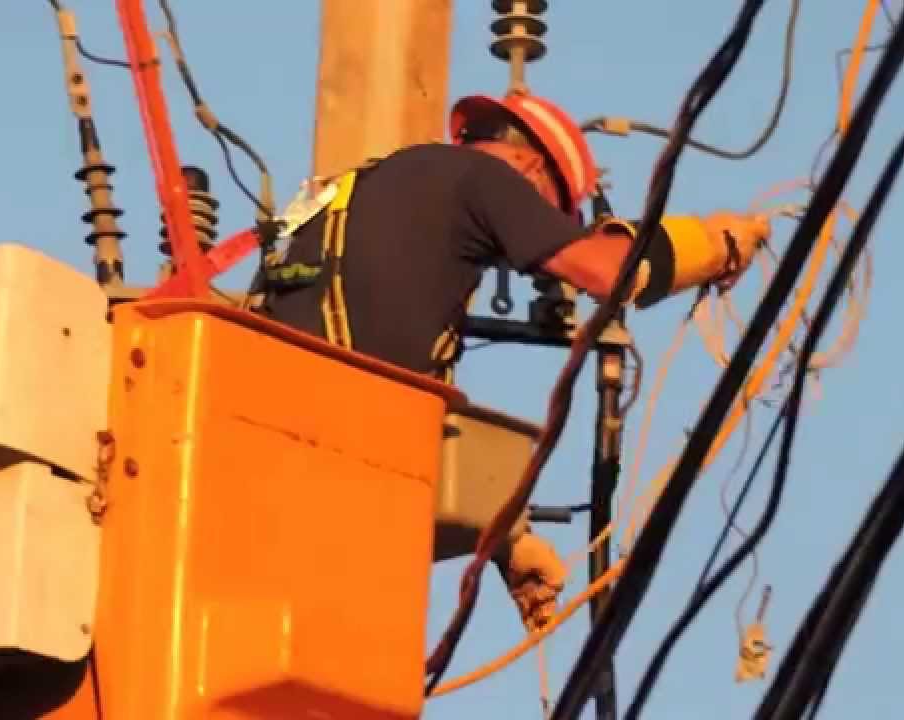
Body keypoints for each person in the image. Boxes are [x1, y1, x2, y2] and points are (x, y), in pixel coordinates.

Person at [259, 92, 772, 634]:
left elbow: (371, 346)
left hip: (273, 458)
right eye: (549, 212)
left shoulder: (358, 190)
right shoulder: (482, 178)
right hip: (340, 472)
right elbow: (606, 273)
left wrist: (506, 540)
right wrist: (714, 247)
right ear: (531, 166)